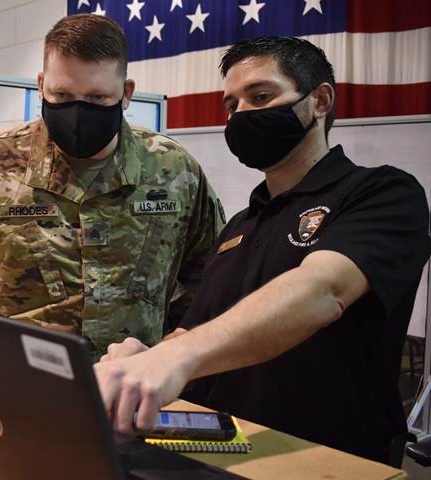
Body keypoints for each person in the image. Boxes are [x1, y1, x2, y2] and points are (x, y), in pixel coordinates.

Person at [94, 36, 431, 463]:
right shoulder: (241, 224)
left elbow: (322, 290)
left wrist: (177, 357)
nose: (242, 115)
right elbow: (198, 326)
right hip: (227, 451)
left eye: (261, 96)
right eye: (232, 105)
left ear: (321, 101)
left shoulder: (380, 193)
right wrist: (147, 358)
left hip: (329, 459)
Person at [0, 14, 224, 359]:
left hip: (134, 393)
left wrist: (172, 356)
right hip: (13, 392)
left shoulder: (174, 170)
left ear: (126, 93)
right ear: (41, 85)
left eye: (96, 99)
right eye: (61, 95)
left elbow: (211, 277)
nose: (77, 113)